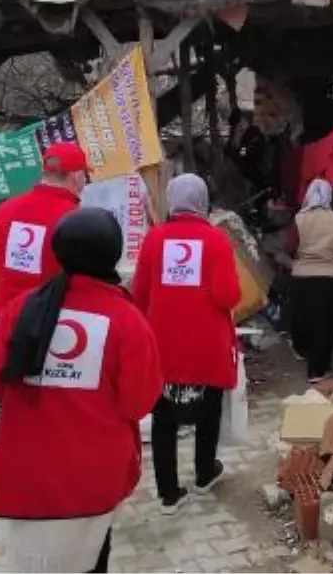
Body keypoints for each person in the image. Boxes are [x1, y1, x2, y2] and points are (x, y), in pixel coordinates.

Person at [0, 207, 162, 573]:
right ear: (113, 253)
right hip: (93, 478)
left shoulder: (24, 308)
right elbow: (137, 401)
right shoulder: (126, 320)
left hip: (26, 474)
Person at [131, 173, 242, 514]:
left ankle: (168, 494)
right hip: (206, 345)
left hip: (163, 344)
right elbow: (228, 295)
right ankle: (205, 473)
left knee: (164, 419)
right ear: (202, 200)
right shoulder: (216, 240)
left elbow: (139, 295)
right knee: (208, 411)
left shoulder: (154, 240)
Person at [0, 141, 89, 317]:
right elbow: (87, 286)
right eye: (86, 175)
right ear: (76, 177)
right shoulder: (77, 221)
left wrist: (3, 317)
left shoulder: (4, 211)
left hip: (9, 323)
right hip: (58, 327)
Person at [287, 178, 333, 382]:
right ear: (329, 196)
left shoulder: (299, 219)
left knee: (305, 320)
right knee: (327, 323)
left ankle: (306, 354)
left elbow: (290, 247)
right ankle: (319, 368)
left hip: (302, 278)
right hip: (332, 278)